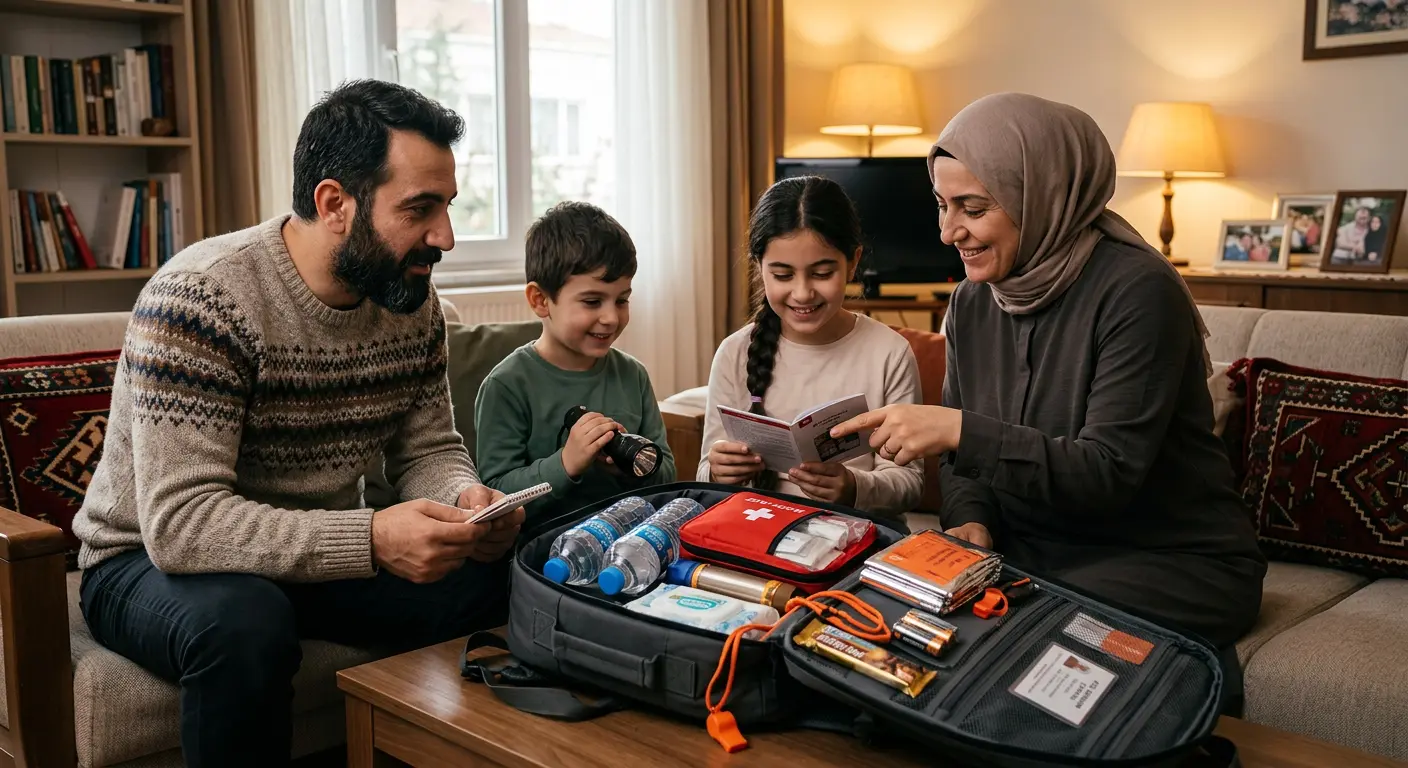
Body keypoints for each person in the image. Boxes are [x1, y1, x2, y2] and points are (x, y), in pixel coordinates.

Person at [72, 80, 525, 768]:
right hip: (145, 564)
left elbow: (428, 446)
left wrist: (465, 501)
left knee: (518, 572)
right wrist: (372, 537)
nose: (446, 238)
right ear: (334, 203)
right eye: (420, 209)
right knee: (245, 623)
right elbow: (183, 525)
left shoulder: (409, 300)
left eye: (448, 207)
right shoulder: (204, 300)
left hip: (309, 557)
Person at [830, 93, 1265, 673]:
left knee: (1015, 646)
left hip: (1169, 558)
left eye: (973, 208)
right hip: (1031, 550)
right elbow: (964, 468)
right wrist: (972, 523)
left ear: (1040, 198)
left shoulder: (1138, 291)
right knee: (872, 614)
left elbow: (1105, 475)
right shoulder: (970, 302)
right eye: (941, 205)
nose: (948, 232)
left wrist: (959, 428)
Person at [699, 176, 923, 518]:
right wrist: (718, 471)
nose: (802, 293)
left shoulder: (889, 353)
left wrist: (853, 487)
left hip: (859, 535)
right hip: (760, 528)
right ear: (759, 267)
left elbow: (910, 481)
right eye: (783, 275)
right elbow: (705, 474)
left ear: (853, 262)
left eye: (821, 273)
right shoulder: (734, 353)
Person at [474, 201, 675, 523]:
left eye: (622, 300)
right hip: (541, 552)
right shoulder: (507, 385)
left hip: (627, 541)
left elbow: (666, 472)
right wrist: (566, 463)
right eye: (592, 301)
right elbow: (497, 494)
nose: (611, 317)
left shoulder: (633, 375)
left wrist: (632, 465)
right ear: (540, 300)